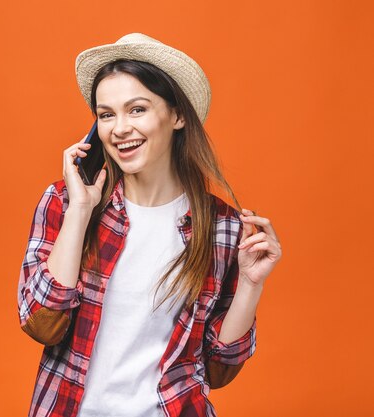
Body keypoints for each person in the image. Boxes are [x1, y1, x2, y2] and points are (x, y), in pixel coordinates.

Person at [17, 33, 282, 417]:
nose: (119, 128)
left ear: (177, 116)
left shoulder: (222, 227)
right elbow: (40, 322)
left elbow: (219, 368)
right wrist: (79, 211)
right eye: (106, 115)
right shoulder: (65, 202)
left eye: (137, 109)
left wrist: (251, 285)